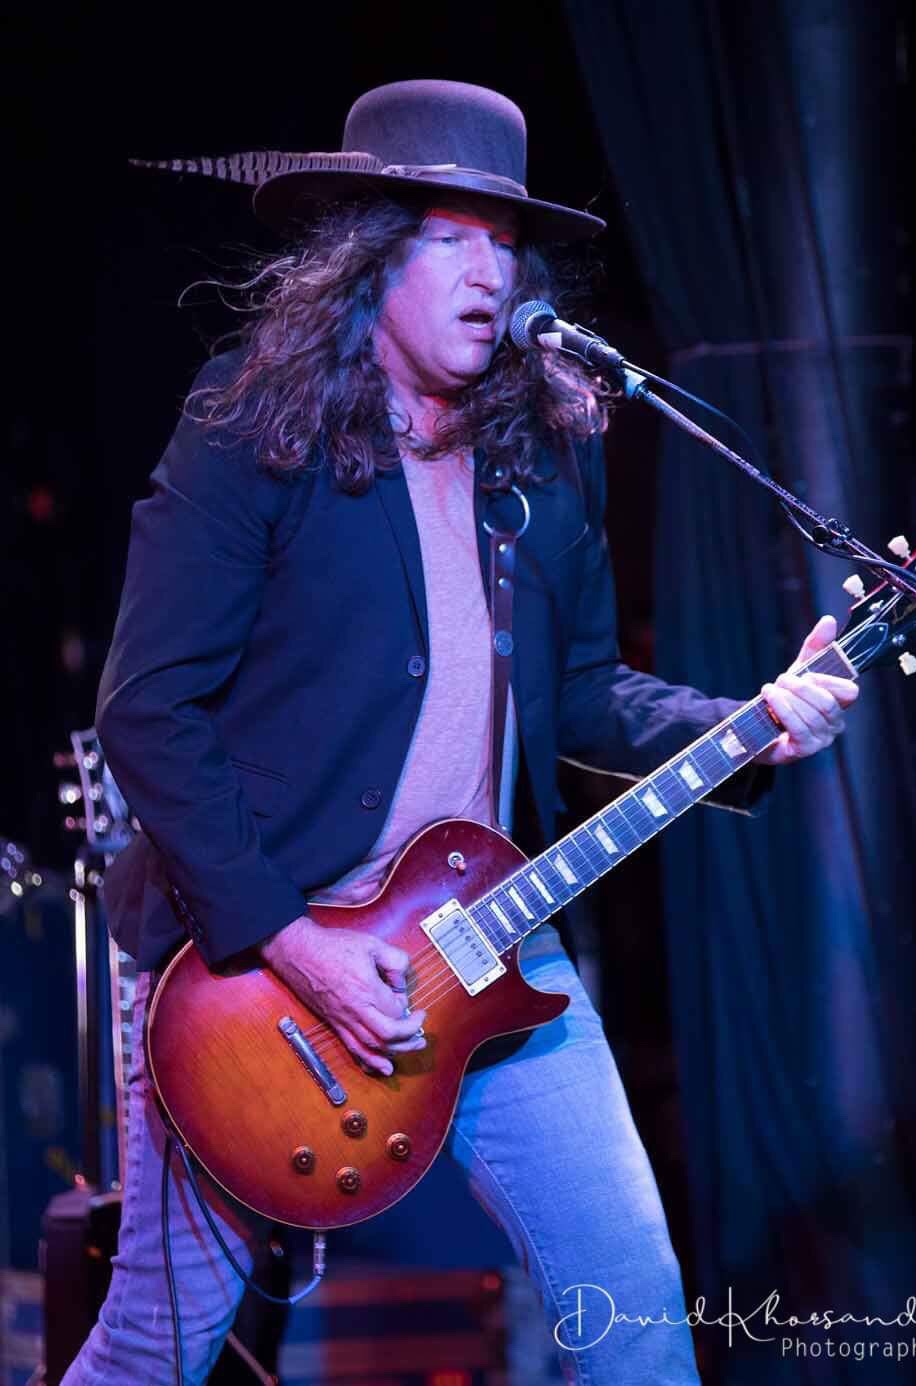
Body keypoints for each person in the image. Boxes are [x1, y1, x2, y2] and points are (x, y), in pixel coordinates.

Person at [67, 80, 858, 1385]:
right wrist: (295, 941)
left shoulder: (545, 450)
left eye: (506, 241)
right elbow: (146, 708)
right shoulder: (251, 423)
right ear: (366, 257)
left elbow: (585, 692)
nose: (489, 272)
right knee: (158, 1345)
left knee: (639, 1323)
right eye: (449, 236)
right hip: (256, 979)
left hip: (491, 948)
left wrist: (752, 724)